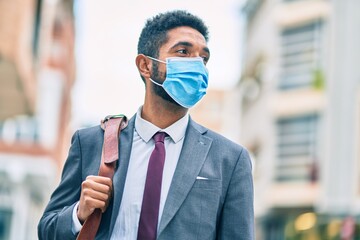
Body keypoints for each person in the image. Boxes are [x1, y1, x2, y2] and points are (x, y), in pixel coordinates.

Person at [38, 10, 254, 240]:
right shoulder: (91, 143)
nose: (197, 65)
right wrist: (79, 214)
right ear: (145, 65)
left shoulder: (230, 159)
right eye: (183, 52)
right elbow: (47, 230)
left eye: (203, 58)